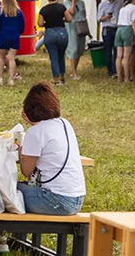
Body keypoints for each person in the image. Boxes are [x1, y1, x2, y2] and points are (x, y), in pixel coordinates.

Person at [16, 82, 86, 215]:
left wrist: (21, 152)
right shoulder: (65, 123)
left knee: (6, 190)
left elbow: (26, 171)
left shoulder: (35, 132)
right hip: (76, 199)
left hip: (55, 200)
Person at [36, 0, 72, 85]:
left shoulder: (44, 9)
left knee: (54, 57)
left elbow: (40, 23)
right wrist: (61, 20)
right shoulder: (62, 7)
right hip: (62, 33)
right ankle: (62, 77)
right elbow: (69, 19)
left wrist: (47, 23)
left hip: (50, 33)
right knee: (61, 56)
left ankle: (56, 79)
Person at [0, 0, 25, 86]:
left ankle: (0, 78)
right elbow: (22, 25)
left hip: (3, 35)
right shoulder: (18, 11)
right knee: (11, 58)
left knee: (1, 58)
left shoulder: (0, 10)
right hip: (14, 35)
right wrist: (19, 32)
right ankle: (11, 79)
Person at [115, 0, 135, 83]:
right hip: (127, 29)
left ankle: (119, 78)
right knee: (127, 56)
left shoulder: (123, 8)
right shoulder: (134, 8)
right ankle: (127, 78)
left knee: (119, 56)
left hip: (119, 30)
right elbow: (134, 22)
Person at [64, 0, 89, 80]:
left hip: (81, 27)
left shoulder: (82, 2)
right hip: (72, 28)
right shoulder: (66, 2)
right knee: (73, 49)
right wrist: (73, 2)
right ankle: (73, 73)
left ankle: (74, 70)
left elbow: (83, 14)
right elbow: (72, 12)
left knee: (79, 49)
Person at [97, 0, 120, 78]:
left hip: (117, 28)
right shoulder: (102, 5)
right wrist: (106, 17)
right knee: (107, 51)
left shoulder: (119, 3)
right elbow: (99, 18)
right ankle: (110, 70)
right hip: (107, 28)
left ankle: (115, 70)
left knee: (116, 50)